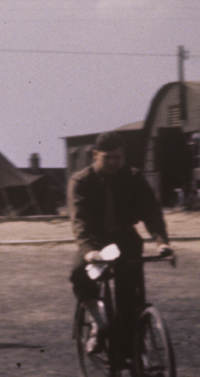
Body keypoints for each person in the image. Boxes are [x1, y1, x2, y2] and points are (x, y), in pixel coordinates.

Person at [68, 131, 172, 352]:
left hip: (125, 239)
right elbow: (80, 221)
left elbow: (151, 212)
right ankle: (99, 322)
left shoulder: (133, 177)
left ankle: (136, 357)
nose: (114, 162)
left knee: (130, 301)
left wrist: (162, 242)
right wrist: (88, 251)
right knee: (79, 273)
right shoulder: (81, 182)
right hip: (95, 241)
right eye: (108, 157)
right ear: (95, 154)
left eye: (118, 157)